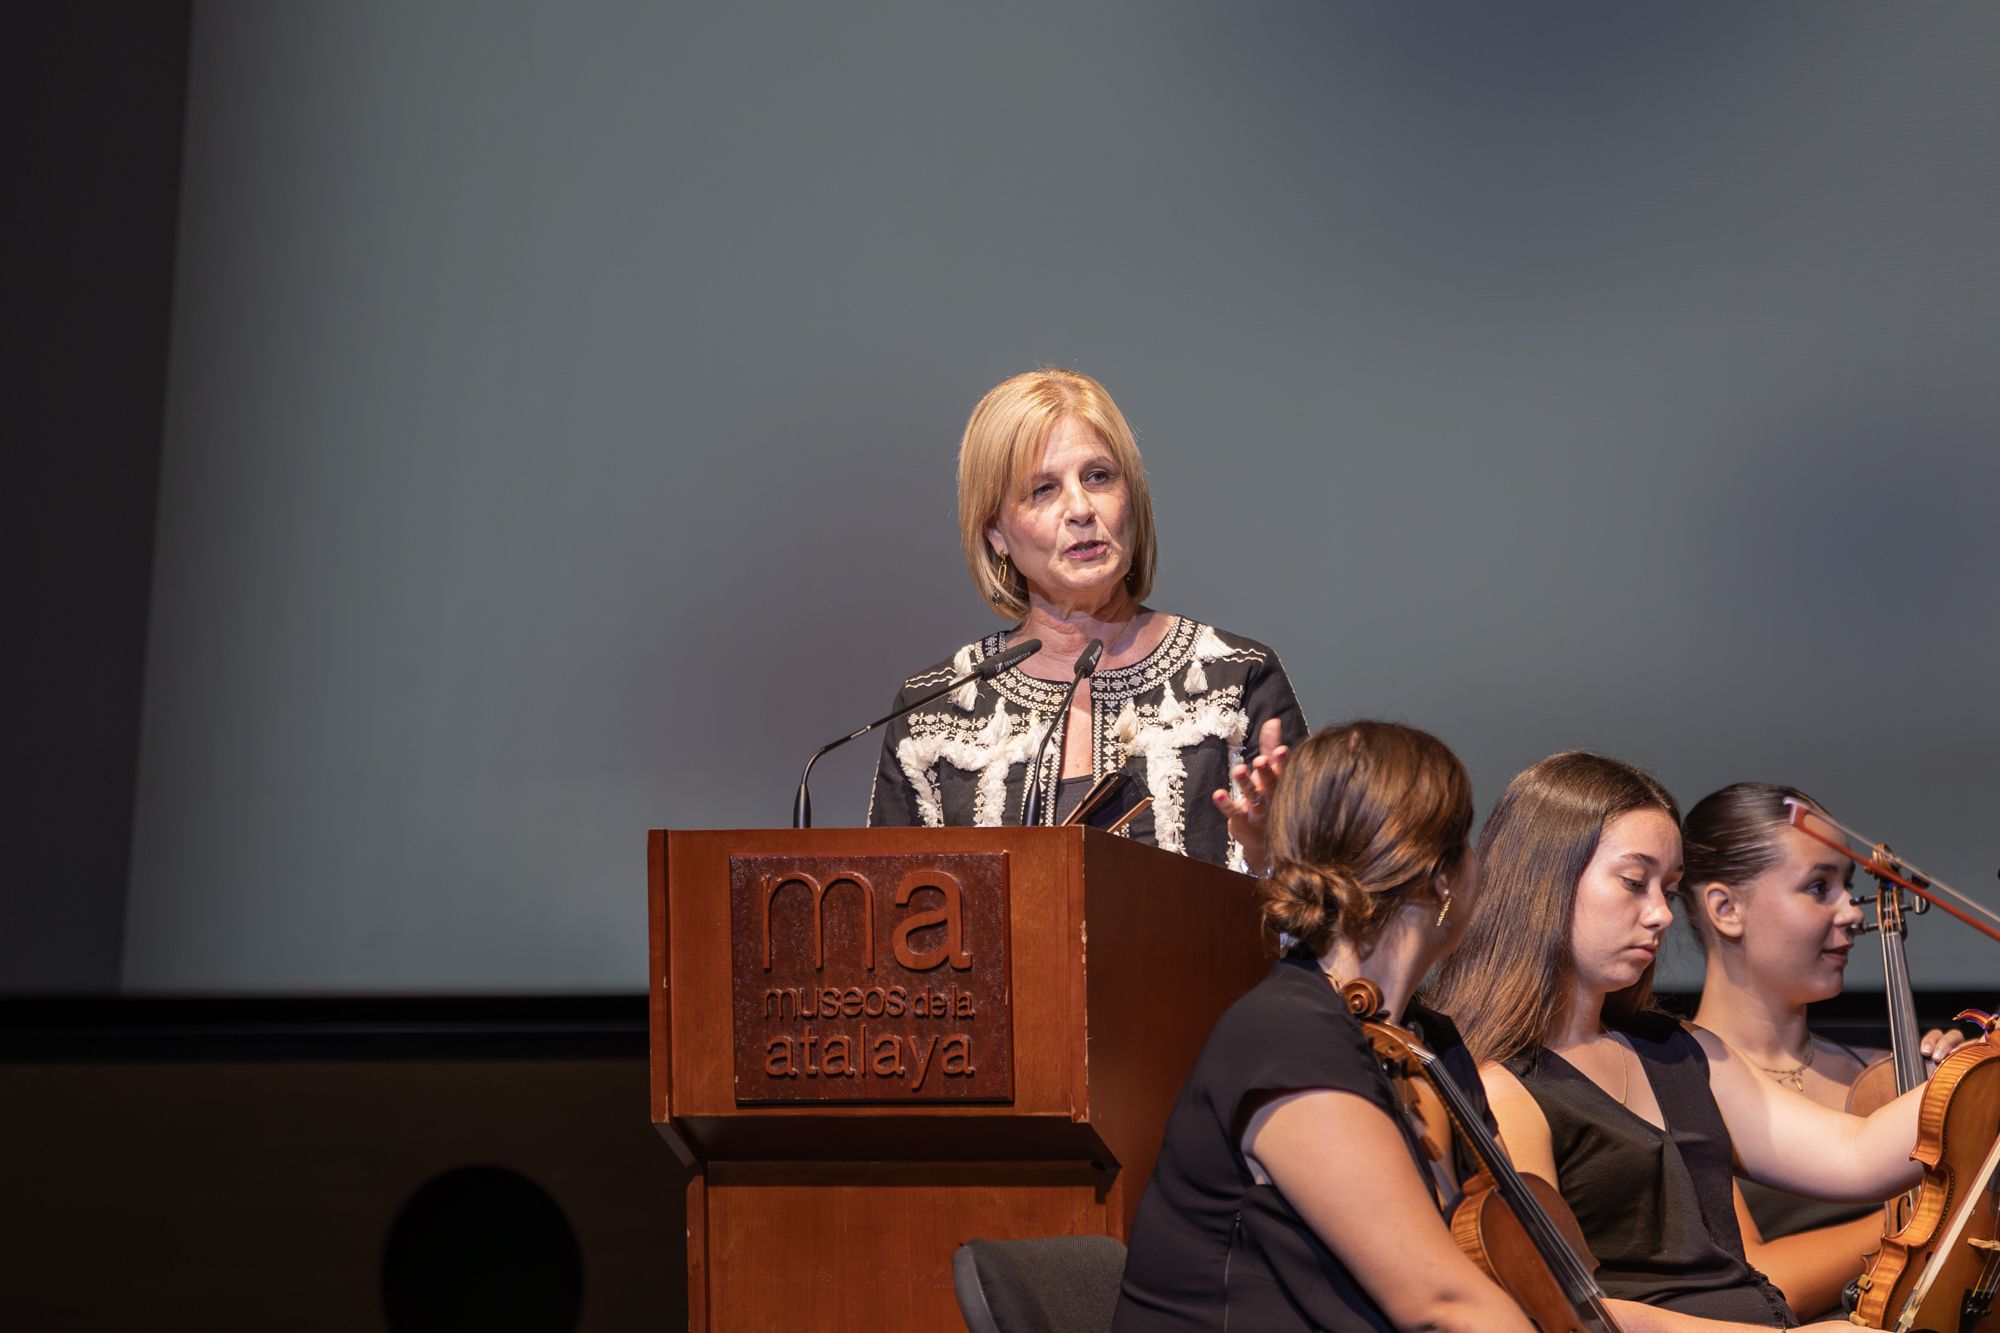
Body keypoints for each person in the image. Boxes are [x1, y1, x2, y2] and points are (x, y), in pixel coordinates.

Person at [1428, 752, 1928, 1332]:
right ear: (1548, 880)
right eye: (1635, 884)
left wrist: (1980, 1063)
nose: (1662, 915)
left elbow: (1858, 1153)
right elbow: (1562, 1309)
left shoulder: (1683, 1050)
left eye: (1667, 888)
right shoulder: (1502, 1084)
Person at [1115, 720, 1533, 1332]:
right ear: (1441, 873)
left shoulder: (1429, 1042)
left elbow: (1516, 1283)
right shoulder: (1288, 1035)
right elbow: (1441, 1305)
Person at [867, 368, 1305, 871]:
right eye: (1043, 490)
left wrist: (1269, 850)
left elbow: (1323, 913)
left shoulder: (1238, 678)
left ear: (1131, 500)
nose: (1080, 508)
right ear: (996, 534)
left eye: (1098, 476)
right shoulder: (934, 710)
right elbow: (892, 923)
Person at [1678, 782, 1963, 1320]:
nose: (1853, 913)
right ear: (1725, 908)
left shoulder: (1880, 1073)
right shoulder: (1675, 1080)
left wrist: (1963, 1100)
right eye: (1818, 887)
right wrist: (1927, 1214)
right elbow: (1761, 1282)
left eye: (1848, 887)